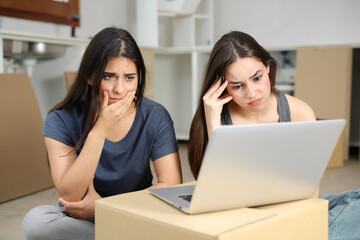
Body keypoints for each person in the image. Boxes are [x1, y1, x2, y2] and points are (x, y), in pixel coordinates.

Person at [187, 30, 360, 240]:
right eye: (237, 86)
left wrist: (297, 225)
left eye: (257, 78)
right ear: (220, 86)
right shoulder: (215, 117)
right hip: (241, 221)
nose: (252, 93)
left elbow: (310, 193)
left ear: (268, 68)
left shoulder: (300, 112)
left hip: (292, 213)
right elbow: (215, 195)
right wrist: (213, 121)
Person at [22, 27, 182, 240]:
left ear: (139, 77)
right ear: (90, 77)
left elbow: (171, 185)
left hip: (135, 212)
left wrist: (105, 207)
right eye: (109, 76)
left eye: (129, 78)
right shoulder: (61, 119)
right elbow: (70, 195)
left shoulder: (155, 115)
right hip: (84, 219)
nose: (119, 89)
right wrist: (99, 131)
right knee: (36, 221)